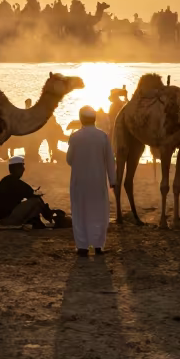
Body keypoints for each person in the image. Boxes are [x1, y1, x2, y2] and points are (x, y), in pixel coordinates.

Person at [66, 105, 115, 256]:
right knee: (99, 212)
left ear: (81, 119)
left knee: (80, 213)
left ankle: (82, 247)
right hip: (98, 182)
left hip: (79, 182)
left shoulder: (75, 137)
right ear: (94, 119)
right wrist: (113, 181)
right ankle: (99, 246)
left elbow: (69, 160)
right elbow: (110, 160)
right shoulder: (103, 136)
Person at [0, 154, 50, 228]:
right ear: (16, 168)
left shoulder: (7, 180)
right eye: (21, 167)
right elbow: (32, 194)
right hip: (8, 219)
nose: (23, 169)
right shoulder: (15, 182)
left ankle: (36, 220)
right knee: (36, 201)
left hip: (4, 217)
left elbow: (27, 192)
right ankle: (48, 218)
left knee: (34, 202)